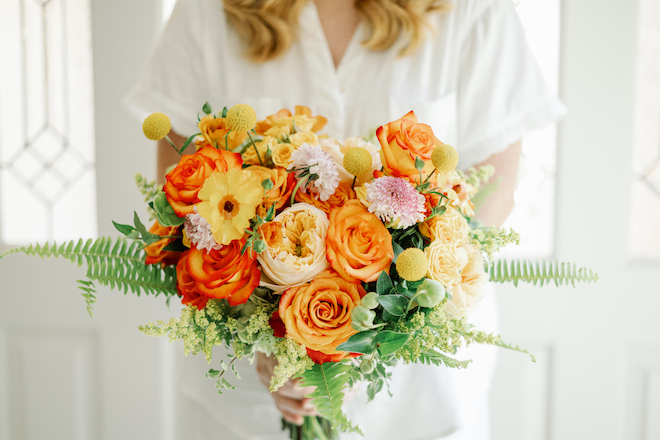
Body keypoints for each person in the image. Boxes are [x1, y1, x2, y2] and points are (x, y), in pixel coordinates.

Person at [126, 0, 564, 438]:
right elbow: (182, 200)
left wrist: (367, 340)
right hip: (245, 397)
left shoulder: (473, 11)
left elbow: (491, 190)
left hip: (419, 396)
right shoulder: (207, 11)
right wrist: (264, 336)